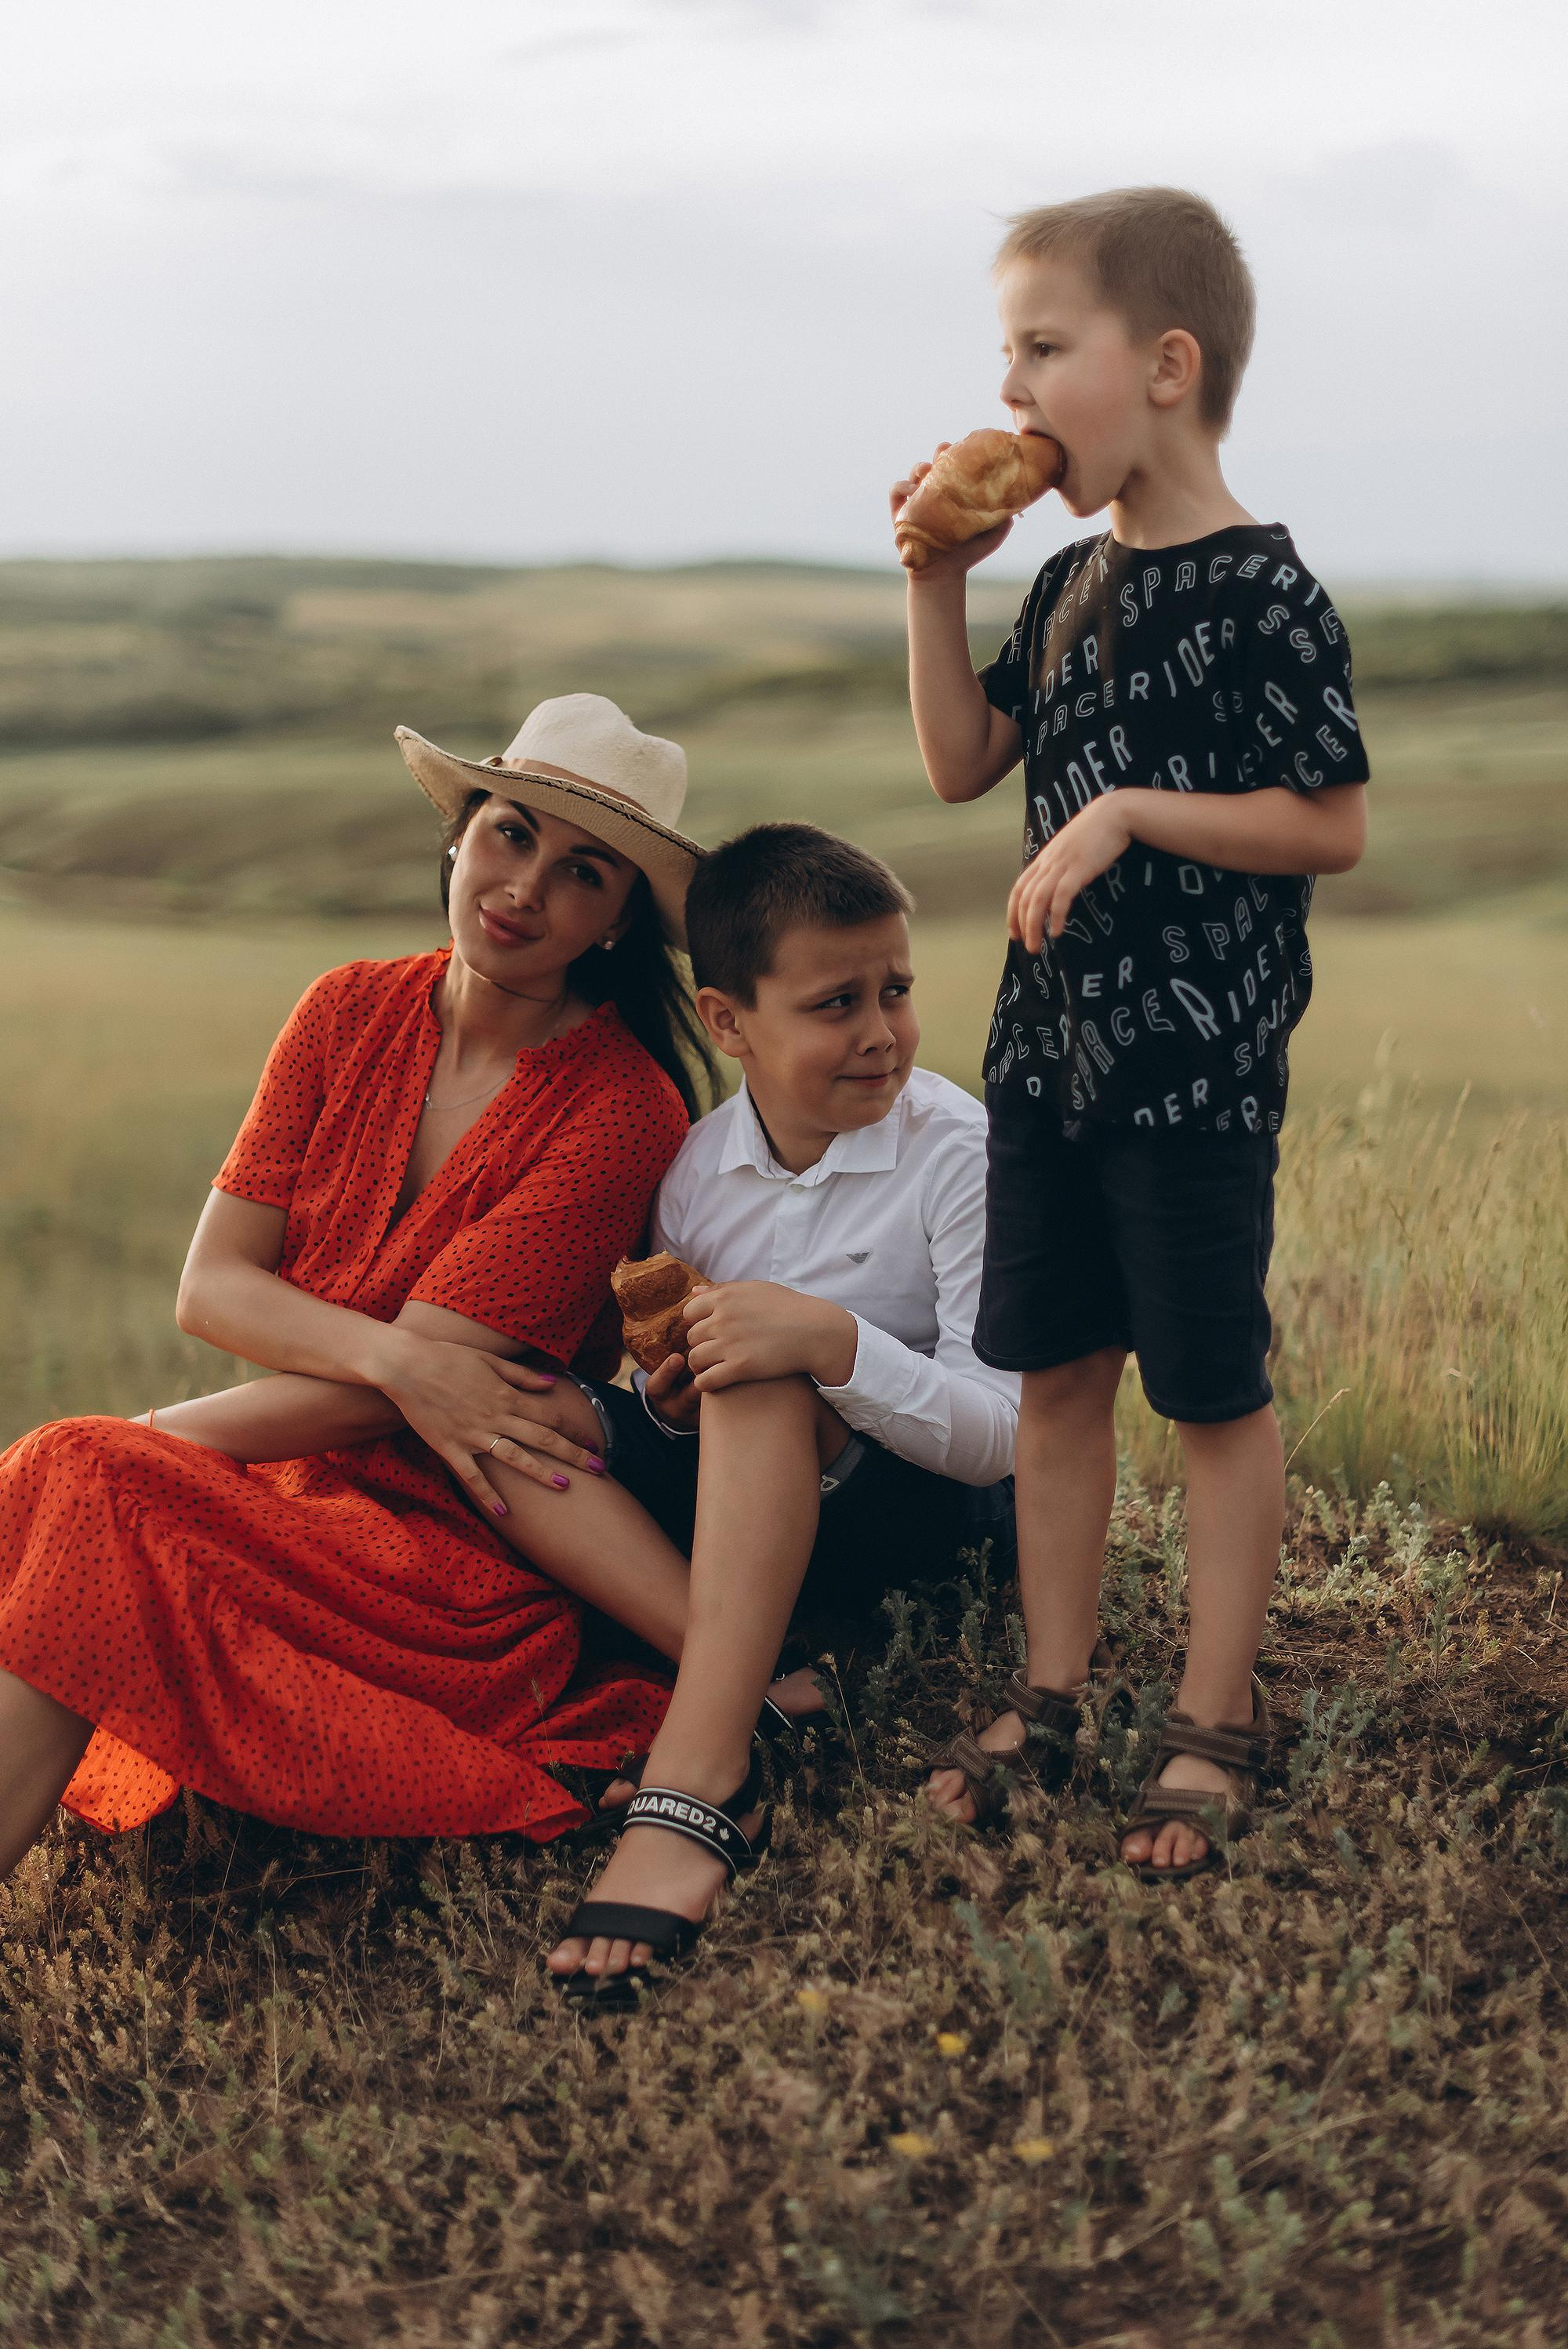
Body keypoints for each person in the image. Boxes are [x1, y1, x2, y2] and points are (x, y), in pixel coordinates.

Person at [0, 693, 720, 1877]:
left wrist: (151, 1437)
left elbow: (405, 1404)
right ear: (459, 834)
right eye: (511, 833)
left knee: (75, 1471)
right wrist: (390, 1352)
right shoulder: (346, 1010)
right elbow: (212, 1291)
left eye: (583, 873)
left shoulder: (618, 1109)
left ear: (619, 922)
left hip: (448, 1553)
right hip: (283, 1488)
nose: (525, 887)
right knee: (77, 1481)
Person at [891, 187, 1370, 1879]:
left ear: (1165, 367)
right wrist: (934, 586)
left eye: (1042, 347)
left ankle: (1212, 1719)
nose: (1009, 389)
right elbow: (963, 764)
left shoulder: (1265, 593)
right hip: (1048, 1060)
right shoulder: (1066, 580)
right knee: (1057, 1381)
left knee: (1211, 1395)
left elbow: (1329, 823)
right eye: (1004, 353)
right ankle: (1053, 1691)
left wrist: (1127, 815)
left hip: (1196, 1074)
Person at [485, 822, 1018, 2004]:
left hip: (924, 1516)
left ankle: (700, 1772)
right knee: (513, 1415)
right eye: (836, 1005)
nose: (881, 1032)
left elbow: (1004, 1436)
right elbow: (678, 1393)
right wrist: (668, 1408)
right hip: (758, 1503)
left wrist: (831, 1346)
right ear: (728, 1022)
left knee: (768, 1372)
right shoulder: (696, 1169)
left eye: (895, 991)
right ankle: (760, 1674)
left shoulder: (960, 1157)